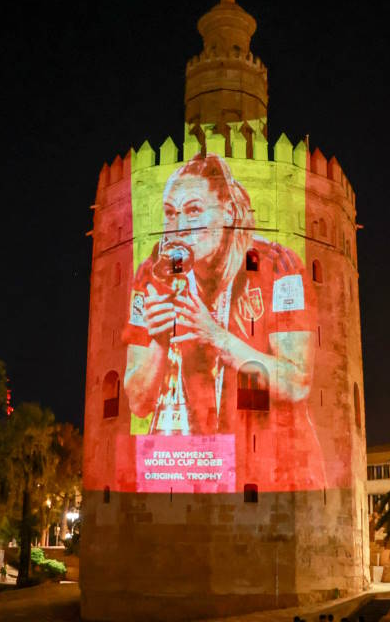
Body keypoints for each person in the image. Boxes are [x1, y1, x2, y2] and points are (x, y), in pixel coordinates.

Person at [123, 152, 323, 487]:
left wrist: (216, 336)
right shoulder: (152, 274)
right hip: (186, 472)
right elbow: (139, 402)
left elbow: (297, 381)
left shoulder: (278, 268)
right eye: (170, 214)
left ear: (228, 212)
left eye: (194, 211)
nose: (179, 228)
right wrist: (159, 339)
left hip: (274, 475)